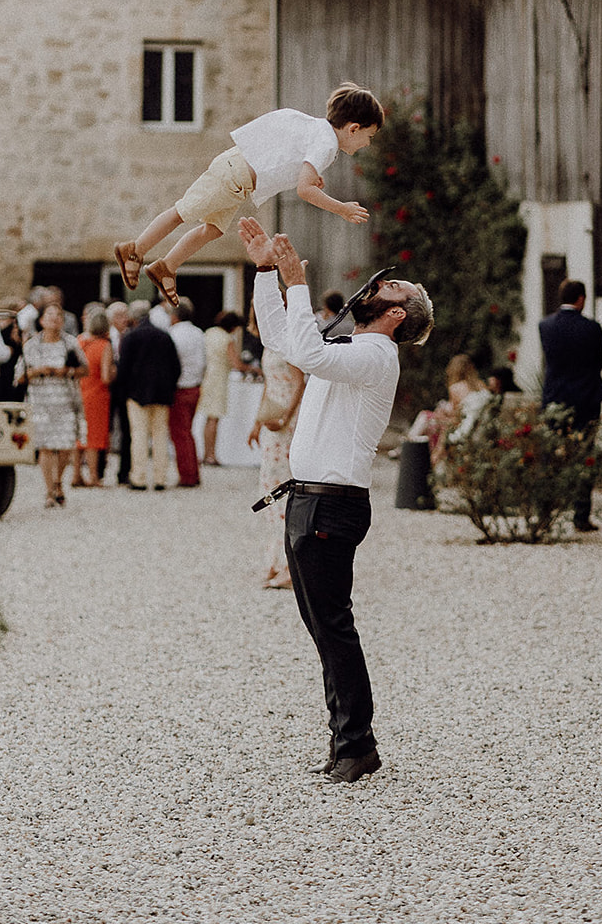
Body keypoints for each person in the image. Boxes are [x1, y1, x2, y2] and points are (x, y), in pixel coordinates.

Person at [240, 216, 433, 785]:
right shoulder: (346, 345)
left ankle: (357, 745)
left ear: (397, 315)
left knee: (334, 625)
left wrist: (296, 280)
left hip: (333, 503)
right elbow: (282, 338)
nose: (376, 287)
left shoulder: (377, 357)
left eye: (390, 289)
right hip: (308, 499)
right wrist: (263, 272)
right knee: (323, 627)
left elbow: (308, 349)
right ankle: (346, 740)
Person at [112, 83, 384, 306]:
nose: (367, 143)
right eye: (369, 136)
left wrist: (305, 173)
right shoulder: (326, 144)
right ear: (353, 128)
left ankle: (166, 267)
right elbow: (304, 190)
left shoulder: (314, 128)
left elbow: (285, 150)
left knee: (213, 229)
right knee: (182, 212)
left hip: (236, 177)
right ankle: (135, 250)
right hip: (233, 176)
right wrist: (342, 208)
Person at [539, 280, 602, 533]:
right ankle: (581, 515)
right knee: (584, 456)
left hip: (556, 397)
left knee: (549, 455)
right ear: (581, 299)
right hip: (586, 397)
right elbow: (600, 361)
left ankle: (544, 514)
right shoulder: (592, 328)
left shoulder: (545, 326)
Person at [247, 309, 306, 589]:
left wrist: (286, 417)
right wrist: (257, 422)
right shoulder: (270, 343)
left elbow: (299, 383)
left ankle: (290, 565)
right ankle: (275, 559)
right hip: (273, 417)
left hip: (288, 420)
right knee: (270, 485)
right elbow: (268, 386)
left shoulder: (289, 341)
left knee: (285, 487)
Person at [16, 303, 88, 508]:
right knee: (46, 446)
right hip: (41, 402)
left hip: (65, 401)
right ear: (41, 321)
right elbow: (19, 376)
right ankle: (49, 490)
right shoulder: (31, 345)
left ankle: (58, 482)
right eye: (50, 315)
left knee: (65, 445)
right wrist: (38, 371)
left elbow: (85, 369)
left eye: (59, 315)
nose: (55, 319)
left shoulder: (70, 343)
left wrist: (66, 372)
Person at [114, 299, 181, 490]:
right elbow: (175, 367)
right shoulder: (164, 336)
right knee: (160, 435)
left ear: (133, 318)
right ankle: (160, 478)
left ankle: (139, 477)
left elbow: (123, 368)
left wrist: (124, 390)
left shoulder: (131, 337)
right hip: (162, 393)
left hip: (136, 393)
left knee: (139, 435)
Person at [169, 298, 207, 487]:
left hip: (181, 387)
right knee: (187, 432)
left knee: (180, 434)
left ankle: (188, 475)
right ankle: (193, 472)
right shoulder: (198, 333)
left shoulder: (174, 334)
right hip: (195, 386)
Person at [76, 306, 116, 485]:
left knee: (79, 436)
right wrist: (115, 371)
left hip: (79, 392)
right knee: (93, 437)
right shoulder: (104, 345)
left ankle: (76, 475)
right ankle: (93, 476)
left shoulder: (79, 341)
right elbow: (106, 377)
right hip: (97, 395)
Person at [199, 310, 244, 467]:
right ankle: (211, 455)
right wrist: (252, 369)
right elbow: (236, 364)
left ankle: (206, 453)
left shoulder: (210, 333)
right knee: (214, 418)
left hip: (207, 376)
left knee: (208, 418)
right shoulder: (227, 339)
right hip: (219, 379)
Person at [106, 300, 133, 485]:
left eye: (125, 315)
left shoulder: (131, 336)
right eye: (119, 316)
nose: (124, 319)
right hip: (108, 387)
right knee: (105, 428)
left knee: (127, 430)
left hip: (126, 387)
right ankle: (99, 468)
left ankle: (124, 472)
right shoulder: (107, 336)